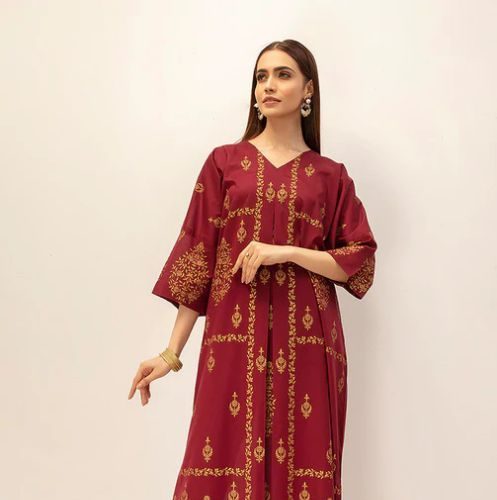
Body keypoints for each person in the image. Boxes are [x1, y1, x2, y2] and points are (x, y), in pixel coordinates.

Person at [128, 39, 378, 499]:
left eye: (283, 75)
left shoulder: (331, 176)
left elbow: (358, 261)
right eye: (261, 76)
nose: (268, 85)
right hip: (232, 340)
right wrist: (170, 353)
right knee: (220, 458)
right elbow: (198, 261)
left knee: (304, 461)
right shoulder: (224, 163)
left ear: (308, 89)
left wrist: (288, 252)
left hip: (308, 342)